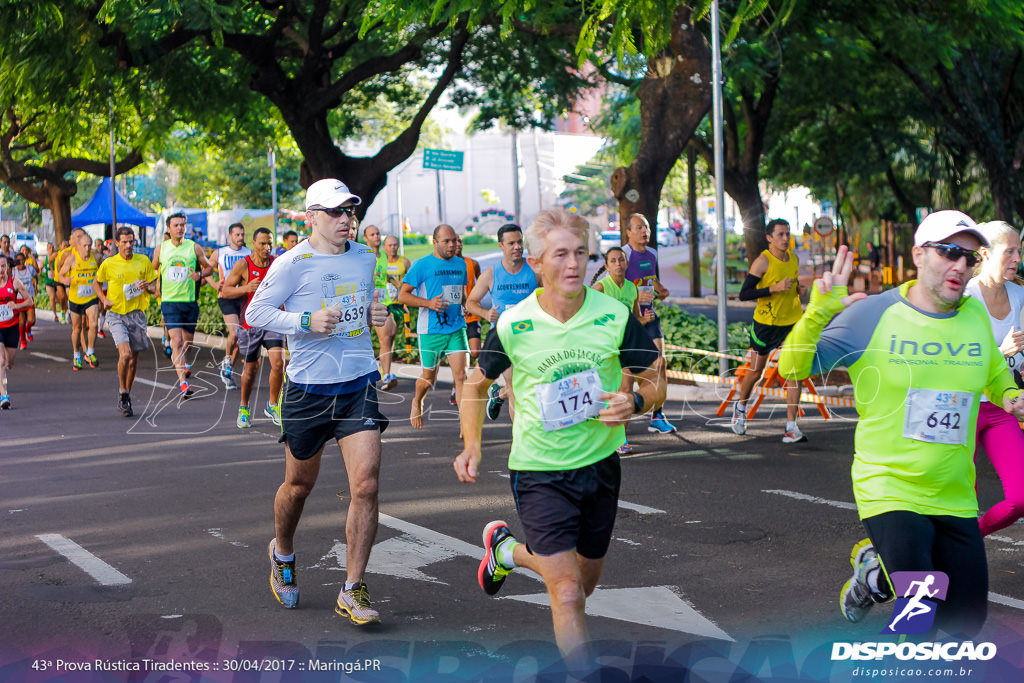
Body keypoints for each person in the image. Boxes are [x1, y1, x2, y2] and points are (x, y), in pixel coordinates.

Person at [779, 210, 1024, 638]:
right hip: (889, 487)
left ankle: (873, 575)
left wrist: (1011, 396)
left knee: (966, 623)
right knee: (921, 609)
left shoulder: (972, 316)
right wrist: (818, 311)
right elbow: (792, 368)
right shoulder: (873, 315)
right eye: (949, 252)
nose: (960, 266)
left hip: (954, 494)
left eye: (970, 257)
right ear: (918, 254)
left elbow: (992, 372)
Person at [454, 208, 665, 667]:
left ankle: (506, 552)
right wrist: (471, 444)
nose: (573, 264)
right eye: (560, 254)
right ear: (536, 263)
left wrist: (637, 404)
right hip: (539, 471)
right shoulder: (514, 324)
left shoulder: (613, 315)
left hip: (600, 468)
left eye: (580, 254)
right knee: (566, 592)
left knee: (583, 585)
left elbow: (653, 379)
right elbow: (474, 385)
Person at [245, 178, 389, 626]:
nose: (345, 219)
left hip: (358, 382)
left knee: (365, 484)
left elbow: (361, 305)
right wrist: (305, 319)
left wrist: (373, 314)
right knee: (299, 487)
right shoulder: (292, 263)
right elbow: (254, 313)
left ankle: (352, 588)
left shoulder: (366, 257)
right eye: (335, 212)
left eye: (349, 211)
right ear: (311, 217)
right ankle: (282, 552)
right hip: (308, 389)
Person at [963, 221, 1024, 537]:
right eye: (1009, 251)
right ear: (985, 253)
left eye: (1019, 250)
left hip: (1003, 408)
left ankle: (972, 535)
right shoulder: (963, 298)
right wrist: (1000, 352)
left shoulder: (1020, 295)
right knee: (960, 501)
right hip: (964, 409)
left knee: (1020, 498)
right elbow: (957, 363)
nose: (1017, 258)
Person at [732, 218, 808, 443]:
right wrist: (772, 289)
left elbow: (792, 287)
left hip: (791, 323)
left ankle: (791, 427)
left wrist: (799, 289)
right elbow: (744, 294)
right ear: (769, 238)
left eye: (788, 234)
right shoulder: (762, 262)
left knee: (795, 373)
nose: (786, 239)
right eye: (781, 235)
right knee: (756, 372)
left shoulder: (793, 258)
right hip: (766, 324)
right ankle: (741, 407)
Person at [465, 223, 540, 422]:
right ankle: (519, 441)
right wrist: (485, 313)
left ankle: (498, 395)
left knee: (533, 384)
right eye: (511, 243)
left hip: (533, 336)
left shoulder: (535, 269)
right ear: (501, 246)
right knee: (516, 386)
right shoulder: (491, 273)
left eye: (519, 242)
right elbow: (470, 302)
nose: (517, 246)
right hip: (504, 337)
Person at [397, 224, 468, 429]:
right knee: (429, 377)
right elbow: (403, 295)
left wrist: (466, 304)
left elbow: (459, 293)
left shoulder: (460, 264)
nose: (452, 244)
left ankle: (466, 425)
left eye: (454, 240)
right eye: (447, 241)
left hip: (456, 327)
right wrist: (429, 303)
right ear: (435, 242)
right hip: (430, 331)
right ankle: (417, 400)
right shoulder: (421, 265)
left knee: (461, 377)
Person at [590, 246, 655, 454]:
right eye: (614, 261)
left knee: (626, 391)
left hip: (625, 346)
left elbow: (635, 318)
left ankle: (621, 439)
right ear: (607, 265)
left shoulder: (631, 288)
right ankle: (595, 434)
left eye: (621, 260)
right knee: (603, 393)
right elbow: (585, 318)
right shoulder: (600, 288)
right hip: (603, 349)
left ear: (627, 263)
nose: (618, 264)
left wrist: (644, 320)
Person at [221, 228, 285, 428]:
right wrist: (245, 288)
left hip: (273, 320)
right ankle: (244, 407)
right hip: (251, 323)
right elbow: (225, 291)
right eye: (262, 243)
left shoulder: (277, 264)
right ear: (254, 243)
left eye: (270, 243)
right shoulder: (243, 265)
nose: (267, 248)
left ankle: (273, 405)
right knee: (251, 368)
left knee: (278, 362)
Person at [94, 227, 159, 417]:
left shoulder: (143, 261)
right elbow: (96, 282)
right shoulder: (109, 263)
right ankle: (123, 392)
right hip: (116, 314)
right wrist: (103, 299)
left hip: (137, 315)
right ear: (117, 243)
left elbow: (154, 285)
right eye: (124, 242)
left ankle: (127, 394)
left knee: (133, 360)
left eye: (131, 241)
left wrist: (148, 286)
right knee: (125, 354)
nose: (128, 245)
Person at [622, 213, 676, 433]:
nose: (644, 231)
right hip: (630, 322)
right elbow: (615, 286)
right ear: (628, 233)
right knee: (627, 375)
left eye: (646, 227)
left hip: (650, 315)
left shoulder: (652, 253)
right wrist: (634, 298)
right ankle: (619, 424)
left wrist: (660, 289)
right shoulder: (623, 255)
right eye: (638, 228)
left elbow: (650, 277)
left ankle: (657, 415)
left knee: (660, 363)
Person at [153, 213, 213, 397]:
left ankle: (185, 365)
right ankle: (183, 383)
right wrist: (153, 286)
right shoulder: (160, 249)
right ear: (168, 229)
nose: (180, 228)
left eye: (182, 225)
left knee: (187, 343)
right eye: (176, 225)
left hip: (189, 302)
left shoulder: (194, 248)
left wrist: (200, 275)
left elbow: (209, 267)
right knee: (176, 342)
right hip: (169, 302)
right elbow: (154, 269)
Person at [208, 222, 251, 390]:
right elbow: (206, 269)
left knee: (241, 339)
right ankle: (226, 359)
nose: (240, 238)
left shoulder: (249, 254)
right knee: (234, 332)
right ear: (230, 236)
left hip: (244, 298)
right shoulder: (220, 253)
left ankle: (228, 370)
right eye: (237, 235)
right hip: (226, 297)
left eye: (242, 235)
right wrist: (214, 284)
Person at [361, 225, 400, 392]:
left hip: (383, 302)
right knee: (363, 340)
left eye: (378, 233)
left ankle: (386, 375)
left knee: (388, 337)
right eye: (372, 234)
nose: (376, 236)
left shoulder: (384, 256)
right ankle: (371, 373)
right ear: (365, 238)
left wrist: (397, 284)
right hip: (365, 303)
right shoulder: (362, 255)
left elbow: (384, 275)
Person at [58, 229, 100, 370]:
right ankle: (76, 355)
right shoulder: (72, 258)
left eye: (90, 245)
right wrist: (66, 280)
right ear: (78, 245)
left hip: (91, 297)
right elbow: (60, 275)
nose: (88, 248)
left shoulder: (97, 257)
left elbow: (106, 269)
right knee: (77, 328)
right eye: (85, 246)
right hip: (76, 298)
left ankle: (91, 352)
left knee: (93, 324)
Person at [0, 256, 33, 409]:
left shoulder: (14, 282)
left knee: (9, 363)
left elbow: (30, 301)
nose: (1, 270)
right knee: (0, 362)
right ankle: (4, 396)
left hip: (12, 327)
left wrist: (16, 306)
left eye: (3, 266)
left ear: (7, 267)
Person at [380, 234, 411, 391]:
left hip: (398, 305)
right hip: (385, 304)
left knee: (390, 340)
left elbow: (412, 282)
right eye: (389, 245)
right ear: (384, 247)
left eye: (395, 245)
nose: (393, 248)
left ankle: (386, 372)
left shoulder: (404, 262)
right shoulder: (380, 263)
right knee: (386, 337)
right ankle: (385, 375)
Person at [12, 253, 36, 349]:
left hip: (29, 298)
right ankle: (23, 341)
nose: (21, 262)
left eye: (22, 260)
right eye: (18, 260)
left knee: (31, 320)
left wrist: (36, 286)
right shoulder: (14, 271)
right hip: (18, 299)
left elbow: (35, 277)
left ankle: (28, 329)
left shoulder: (30, 269)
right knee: (21, 320)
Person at [41, 243, 67, 324]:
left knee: (62, 298)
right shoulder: (49, 257)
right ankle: (55, 315)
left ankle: (64, 311)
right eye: (49, 248)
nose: (51, 249)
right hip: (49, 281)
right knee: (52, 297)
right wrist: (51, 271)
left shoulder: (66, 254)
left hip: (58, 280)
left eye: (52, 248)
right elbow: (47, 263)